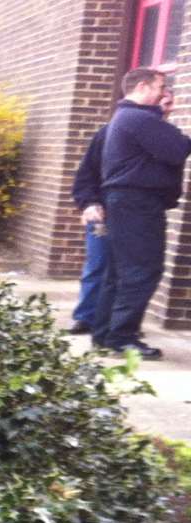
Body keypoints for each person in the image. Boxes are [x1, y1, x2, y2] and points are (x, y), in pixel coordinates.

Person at [93, 67, 191, 359]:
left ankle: (106, 334)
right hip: (136, 204)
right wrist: (163, 120)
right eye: (161, 86)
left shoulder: (128, 118)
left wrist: (161, 117)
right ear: (144, 87)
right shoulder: (138, 117)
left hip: (124, 203)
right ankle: (122, 337)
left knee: (118, 271)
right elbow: (178, 149)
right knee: (142, 270)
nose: (165, 92)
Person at [69, 121, 110, 334]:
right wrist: (88, 203)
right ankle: (85, 317)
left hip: (137, 217)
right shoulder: (108, 133)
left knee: (128, 270)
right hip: (103, 215)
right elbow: (86, 173)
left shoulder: (163, 138)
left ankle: (119, 322)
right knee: (97, 263)